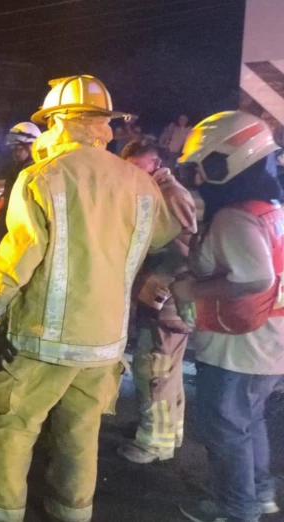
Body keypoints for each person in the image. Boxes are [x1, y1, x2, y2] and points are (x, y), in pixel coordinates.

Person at [0, 75, 179, 522]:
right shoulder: (140, 184)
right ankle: (71, 512)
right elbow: (164, 236)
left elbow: (18, 256)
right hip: (104, 343)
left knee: (12, 428)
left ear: (59, 121)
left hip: (42, 341)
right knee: (80, 434)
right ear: (103, 123)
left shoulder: (42, 176)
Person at [172, 111, 284, 522]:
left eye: (208, 165)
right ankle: (257, 494)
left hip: (237, 348)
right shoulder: (271, 206)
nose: (200, 177)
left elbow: (255, 276)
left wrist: (192, 289)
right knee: (248, 423)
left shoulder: (235, 216)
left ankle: (237, 510)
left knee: (225, 430)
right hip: (269, 340)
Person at [117, 139, 198, 464]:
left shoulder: (169, 195)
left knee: (153, 368)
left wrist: (159, 280)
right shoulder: (161, 192)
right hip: (166, 299)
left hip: (165, 301)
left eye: (137, 167)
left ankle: (153, 444)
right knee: (166, 370)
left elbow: (186, 249)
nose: (131, 175)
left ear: (155, 163)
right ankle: (168, 432)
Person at [0, 122, 41, 243]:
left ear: (32, 147)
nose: (14, 153)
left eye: (18, 149)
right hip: (11, 234)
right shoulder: (15, 171)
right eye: (12, 149)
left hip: (26, 236)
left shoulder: (38, 174)